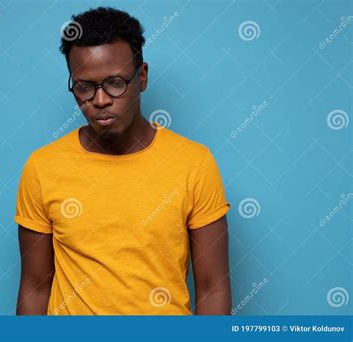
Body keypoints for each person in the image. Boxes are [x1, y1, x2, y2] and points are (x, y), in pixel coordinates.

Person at [15, 6, 231, 315]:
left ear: (141, 77)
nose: (100, 100)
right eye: (84, 87)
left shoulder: (194, 164)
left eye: (115, 83)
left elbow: (213, 289)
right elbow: (34, 289)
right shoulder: (42, 167)